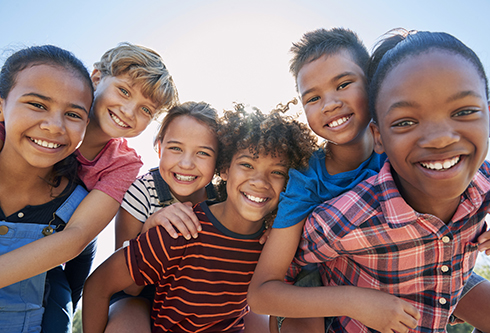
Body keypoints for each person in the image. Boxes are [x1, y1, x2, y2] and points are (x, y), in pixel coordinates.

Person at [247, 28, 490, 332]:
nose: (329, 103)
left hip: (416, 259)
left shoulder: (405, 148)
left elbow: (484, 173)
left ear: (373, 88)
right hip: (320, 278)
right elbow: (264, 289)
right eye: (313, 97)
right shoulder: (308, 181)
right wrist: (354, 301)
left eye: (343, 84)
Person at [82, 104, 317, 333]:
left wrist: (277, 226)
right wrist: (150, 228)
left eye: (277, 172)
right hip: (138, 289)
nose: (260, 182)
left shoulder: (263, 233)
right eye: (246, 164)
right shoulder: (159, 208)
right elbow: (118, 285)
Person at [0, 42, 179, 332]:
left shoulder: (122, 162)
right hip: (26, 219)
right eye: (123, 91)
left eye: (146, 109)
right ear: (97, 78)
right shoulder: (35, 125)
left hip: (70, 237)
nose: (128, 111)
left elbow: (77, 237)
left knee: (62, 296)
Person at [0, 45, 93, 332]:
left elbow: (77, 273)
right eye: (37, 105)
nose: (54, 126)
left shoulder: (78, 205)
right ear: (1, 107)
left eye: (73, 115)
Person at [106, 101, 220, 332]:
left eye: (203, 153)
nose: (186, 163)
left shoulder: (223, 199)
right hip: (141, 294)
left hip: (200, 297)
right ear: (159, 148)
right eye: (175, 148)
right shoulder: (143, 191)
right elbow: (127, 285)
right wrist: (150, 229)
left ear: (219, 161)